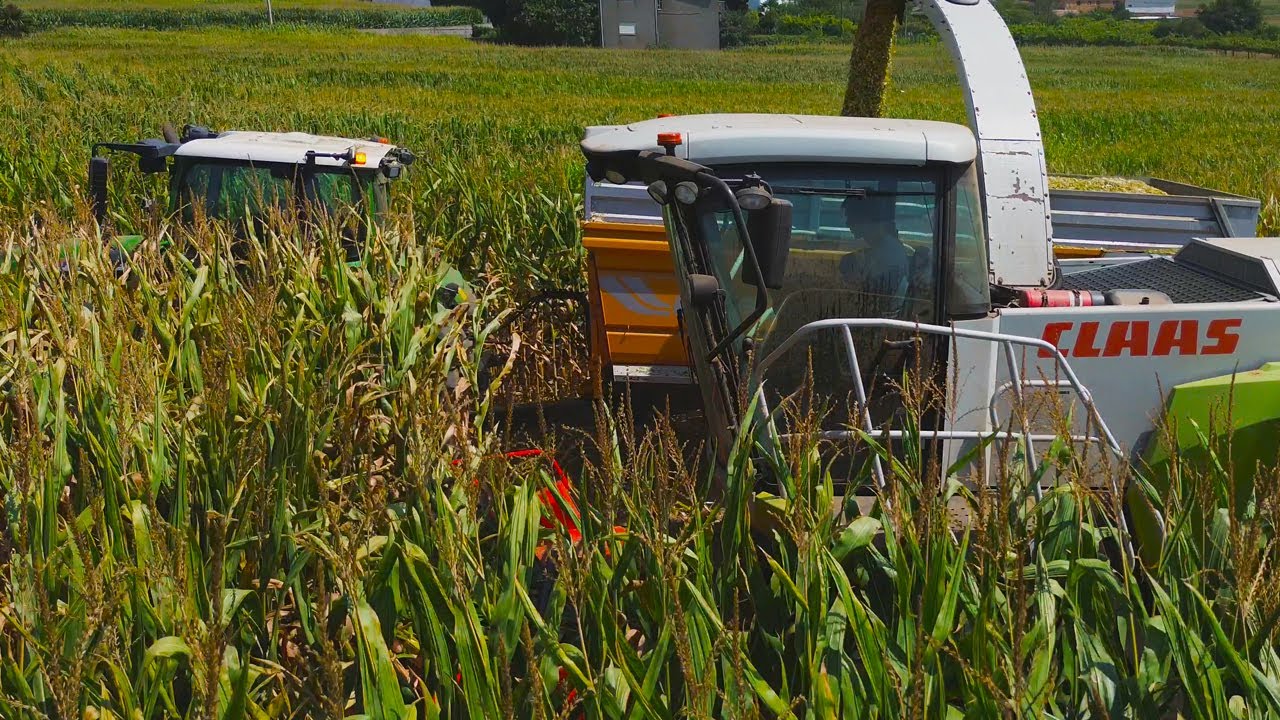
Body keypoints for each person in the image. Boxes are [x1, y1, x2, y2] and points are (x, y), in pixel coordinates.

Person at [838, 193, 909, 311]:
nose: (847, 223)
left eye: (850, 217)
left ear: (864, 217)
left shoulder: (889, 255)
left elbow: (871, 299)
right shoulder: (883, 248)